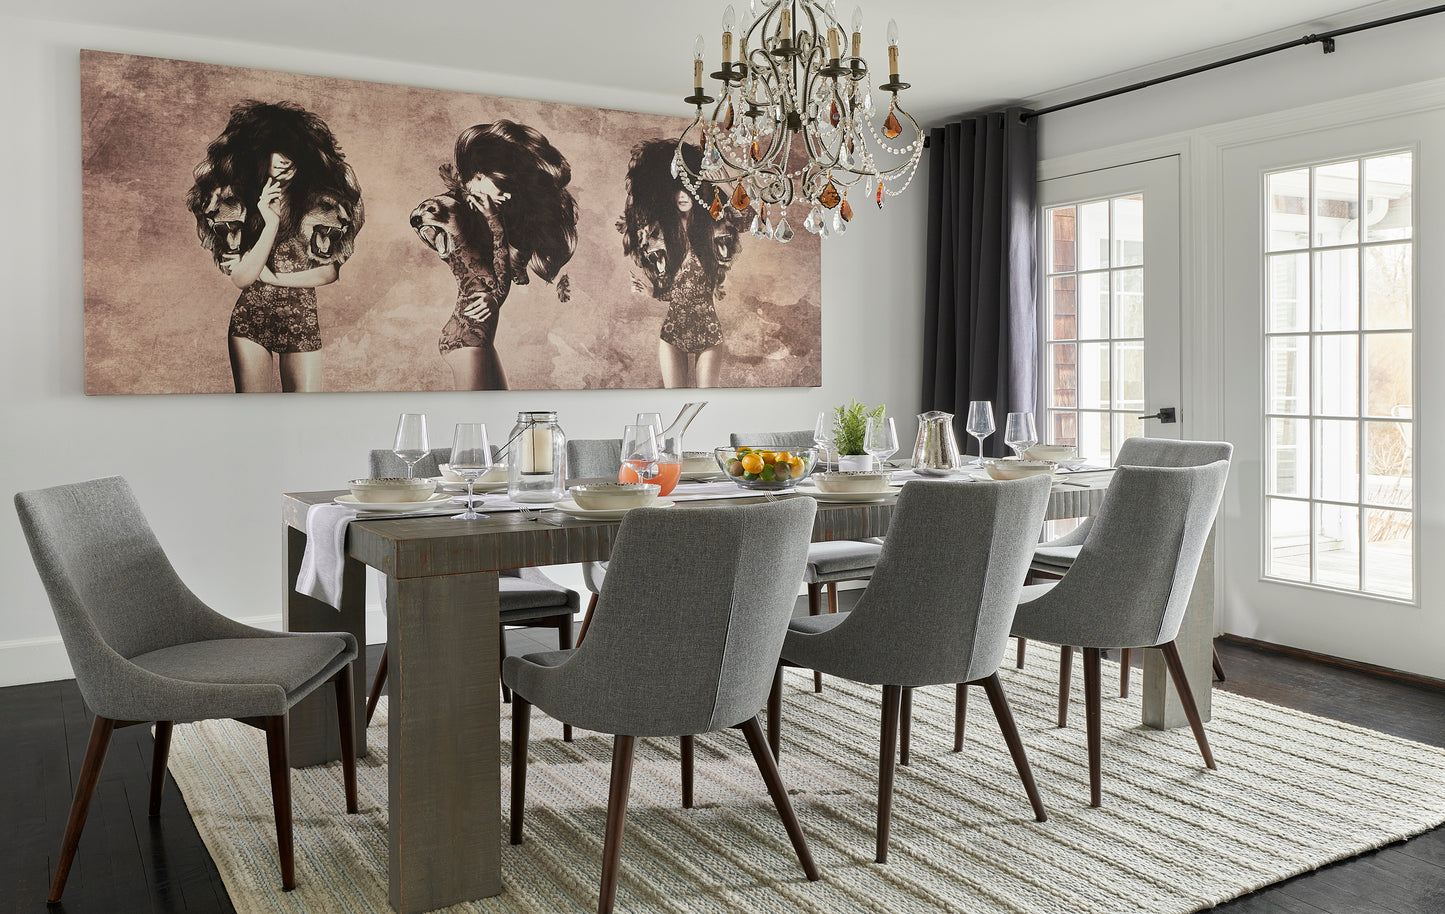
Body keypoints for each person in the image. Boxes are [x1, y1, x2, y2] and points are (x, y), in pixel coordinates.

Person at [186, 101, 363, 392]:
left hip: (302, 320)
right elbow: (242, 278)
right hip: (251, 321)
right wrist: (270, 222)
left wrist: (273, 278)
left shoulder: (321, 200)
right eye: (275, 150)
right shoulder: (240, 201)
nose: (285, 160)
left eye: (293, 151)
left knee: (305, 420)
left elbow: (329, 273)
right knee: (253, 419)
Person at [426, 121, 577, 390]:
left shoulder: (489, 218)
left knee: (501, 413)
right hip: (467, 338)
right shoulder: (456, 214)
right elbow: (489, 280)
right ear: (479, 175)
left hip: (477, 337)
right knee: (483, 420)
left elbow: (497, 278)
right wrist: (492, 296)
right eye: (503, 184)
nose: (507, 195)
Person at [620, 140, 745, 388]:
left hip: (709, 333)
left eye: (687, 187)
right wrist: (652, 292)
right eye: (674, 189)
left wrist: (726, 185)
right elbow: (677, 290)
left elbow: (748, 220)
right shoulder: (661, 235)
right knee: (672, 405)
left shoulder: (712, 225)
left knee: (708, 404)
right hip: (672, 335)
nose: (681, 195)